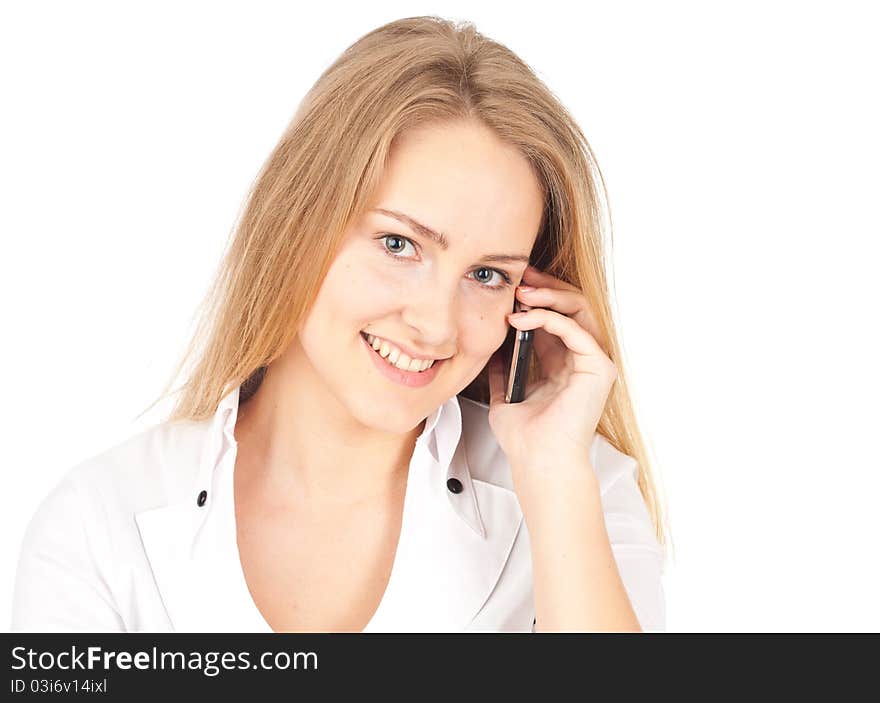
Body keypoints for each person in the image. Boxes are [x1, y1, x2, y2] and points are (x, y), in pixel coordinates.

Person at [11, 15, 671, 632]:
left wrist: (554, 472)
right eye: (397, 244)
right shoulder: (99, 527)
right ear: (299, 221)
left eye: (487, 274)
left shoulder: (577, 491)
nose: (435, 325)